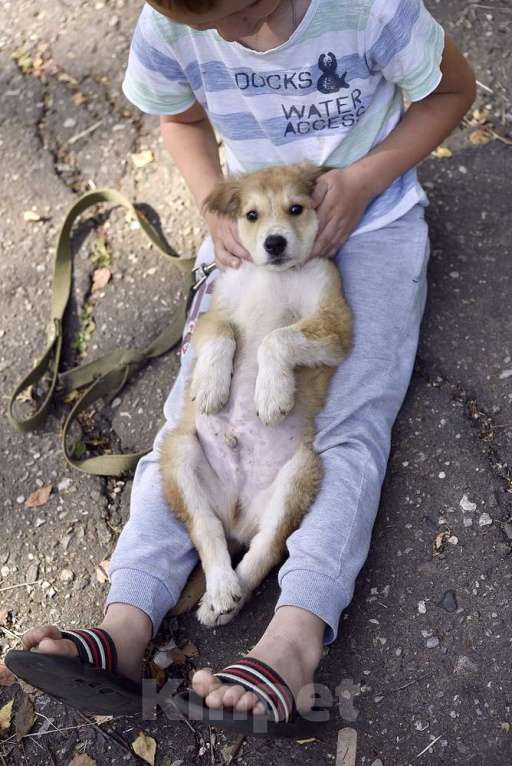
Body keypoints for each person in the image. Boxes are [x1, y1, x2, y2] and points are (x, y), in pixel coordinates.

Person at [1, 0, 476, 733]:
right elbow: (182, 121)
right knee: (191, 419)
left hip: (370, 220)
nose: (229, 36)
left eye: (248, 10)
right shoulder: (176, 24)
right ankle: (125, 625)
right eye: (209, 24)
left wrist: (359, 182)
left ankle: (295, 637)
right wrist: (212, 208)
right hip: (252, 230)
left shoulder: (370, 9)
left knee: (343, 426)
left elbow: (451, 91)